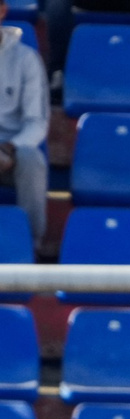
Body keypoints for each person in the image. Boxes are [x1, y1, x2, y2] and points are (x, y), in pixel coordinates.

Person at [0, 1, 44, 246]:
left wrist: (10, 148)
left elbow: (36, 122)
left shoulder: (26, 59)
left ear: (2, 11)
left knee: (31, 158)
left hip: (11, 153)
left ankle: (32, 242)